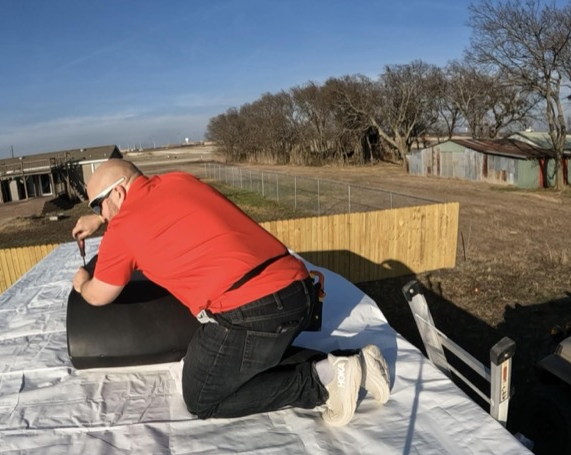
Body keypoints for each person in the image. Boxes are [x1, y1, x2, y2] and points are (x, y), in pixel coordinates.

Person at [72, 158, 390, 426]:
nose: (104, 214)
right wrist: (101, 216)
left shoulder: (123, 230)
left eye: (100, 203)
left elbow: (100, 295)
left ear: (118, 192)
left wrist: (82, 282)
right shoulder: (180, 181)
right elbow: (148, 211)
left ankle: (324, 382)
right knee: (251, 358)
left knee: (202, 395)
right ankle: (356, 363)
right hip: (299, 291)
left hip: (252, 311)